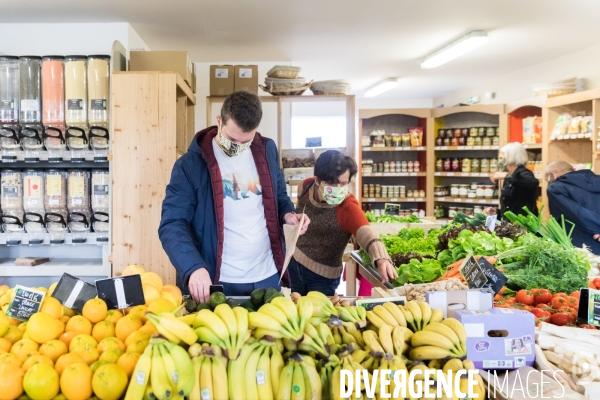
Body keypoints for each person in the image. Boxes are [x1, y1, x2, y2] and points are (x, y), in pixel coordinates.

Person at [159, 92, 309, 302]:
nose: (237, 147)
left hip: (268, 275)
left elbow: (279, 196)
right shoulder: (190, 166)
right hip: (218, 279)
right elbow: (172, 224)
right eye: (231, 139)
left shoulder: (267, 150)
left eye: (245, 142)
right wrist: (193, 267)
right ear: (219, 121)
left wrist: (288, 215)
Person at [288, 150, 397, 295]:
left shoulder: (347, 206)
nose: (338, 189)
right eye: (332, 184)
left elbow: (366, 233)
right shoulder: (305, 186)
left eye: (343, 184)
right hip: (295, 263)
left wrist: (382, 259)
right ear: (317, 180)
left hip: (323, 277)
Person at [545, 161, 600, 254]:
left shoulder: (556, 188)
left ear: (553, 175)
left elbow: (577, 212)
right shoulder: (597, 180)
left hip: (581, 246)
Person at [486, 142, 539, 219]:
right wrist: (497, 212)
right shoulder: (510, 175)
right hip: (511, 225)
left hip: (524, 225)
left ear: (512, 158)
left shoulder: (523, 173)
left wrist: (506, 176)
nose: (499, 162)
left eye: (501, 158)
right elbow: (511, 206)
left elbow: (532, 182)